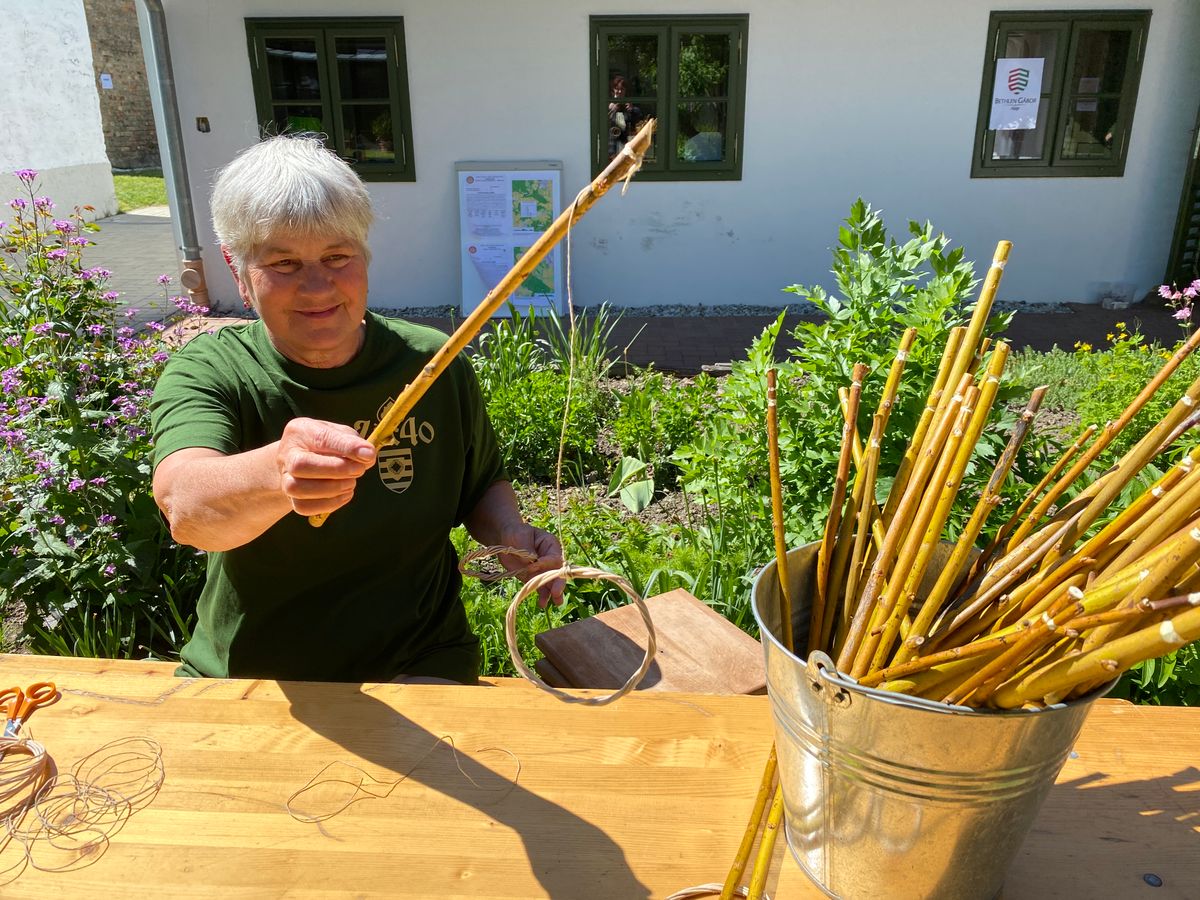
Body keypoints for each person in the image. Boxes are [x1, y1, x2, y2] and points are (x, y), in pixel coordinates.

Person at [150, 135, 564, 685]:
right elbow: (187, 507)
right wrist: (278, 472)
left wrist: (511, 534)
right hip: (255, 674)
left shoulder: (431, 364)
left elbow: (479, 483)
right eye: (284, 262)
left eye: (337, 257)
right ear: (238, 270)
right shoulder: (212, 370)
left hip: (420, 662)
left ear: (365, 257)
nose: (318, 285)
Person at [607, 73, 643, 161]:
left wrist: (632, 110)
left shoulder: (629, 108)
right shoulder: (607, 106)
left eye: (622, 89)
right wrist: (611, 109)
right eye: (617, 89)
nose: (619, 92)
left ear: (625, 91)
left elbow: (638, 124)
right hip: (610, 151)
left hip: (626, 151)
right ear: (612, 90)